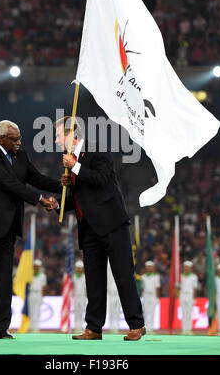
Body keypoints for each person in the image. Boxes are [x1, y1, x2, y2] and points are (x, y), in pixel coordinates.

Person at [0, 120, 62, 339]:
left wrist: (63, 184)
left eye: (20, 138)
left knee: (4, 277)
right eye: (15, 139)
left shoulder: (21, 155)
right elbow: (9, 183)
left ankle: (2, 327)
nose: (20, 142)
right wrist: (39, 199)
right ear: (1, 139)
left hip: (8, 225)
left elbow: (37, 178)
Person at [52, 116, 145, 341]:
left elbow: (102, 180)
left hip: (112, 223)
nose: (55, 141)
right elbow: (82, 198)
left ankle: (136, 324)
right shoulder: (71, 161)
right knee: (93, 279)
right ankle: (93, 327)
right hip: (89, 228)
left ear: (71, 134)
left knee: (123, 274)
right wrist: (59, 204)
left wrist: (76, 167)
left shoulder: (97, 150)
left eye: (57, 135)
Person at [141, 261, 160, 333]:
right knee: (145, 313)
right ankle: (145, 329)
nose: (149, 268)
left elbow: (157, 288)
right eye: (148, 267)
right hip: (146, 296)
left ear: (153, 268)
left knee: (152, 312)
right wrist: (142, 297)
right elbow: (142, 288)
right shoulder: (143, 277)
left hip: (153, 295)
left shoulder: (156, 276)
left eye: (150, 266)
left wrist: (157, 297)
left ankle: (151, 329)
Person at [179, 261, 197, 334]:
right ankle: (184, 329)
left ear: (191, 268)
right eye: (185, 267)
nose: (186, 268)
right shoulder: (180, 276)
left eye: (188, 267)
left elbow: (195, 288)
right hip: (183, 295)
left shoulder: (194, 276)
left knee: (189, 312)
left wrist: (194, 298)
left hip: (190, 295)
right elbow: (178, 287)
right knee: (183, 312)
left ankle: (189, 329)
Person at [28, 259, 47, 332]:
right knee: (31, 311)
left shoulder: (42, 276)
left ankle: (36, 327)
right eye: (35, 266)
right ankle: (31, 327)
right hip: (31, 293)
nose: (36, 268)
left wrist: (42, 296)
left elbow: (44, 287)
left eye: (38, 266)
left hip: (38, 293)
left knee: (38, 311)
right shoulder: (29, 275)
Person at [107, 260, 121, 333]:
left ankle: (117, 327)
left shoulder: (119, 264)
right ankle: (111, 326)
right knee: (111, 310)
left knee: (117, 310)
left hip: (118, 291)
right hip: (111, 292)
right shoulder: (107, 266)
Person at [73, 260, 86, 333]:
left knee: (81, 312)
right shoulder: (74, 277)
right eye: (77, 268)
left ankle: (81, 326)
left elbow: (86, 288)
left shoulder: (84, 277)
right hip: (76, 297)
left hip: (82, 297)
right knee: (76, 312)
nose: (78, 269)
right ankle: (76, 326)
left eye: (80, 268)